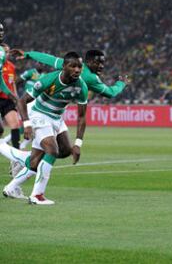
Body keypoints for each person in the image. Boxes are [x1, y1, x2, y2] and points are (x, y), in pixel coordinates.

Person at [6, 49, 130, 176]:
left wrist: (27, 54)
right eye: (98, 62)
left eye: (103, 63)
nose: (101, 66)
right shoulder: (90, 78)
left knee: (64, 150)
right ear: (88, 62)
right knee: (49, 148)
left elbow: (47, 58)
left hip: (53, 110)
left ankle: (23, 160)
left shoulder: (69, 64)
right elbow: (110, 93)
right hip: (41, 106)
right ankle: (20, 160)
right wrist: (121, 83)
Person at [2, 51, 88, 205]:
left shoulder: (81, 86)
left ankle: (11, 186)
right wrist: (27, 124)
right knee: (52, 150)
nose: (77, 70)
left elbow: (81, 117)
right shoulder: (50, 79)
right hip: (38, 114)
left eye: (79, 67)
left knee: (51, 155)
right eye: (73, 66)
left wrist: (78, 144)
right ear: (64, 67)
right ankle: (37, 195)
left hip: (57, 117)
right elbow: (22, 101)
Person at [0, 43, 20, 148]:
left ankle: (16, 155)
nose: (7, 54)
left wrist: (16, 98)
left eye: (8, 52)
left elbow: (13, 84)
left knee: (15, 125)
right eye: (5, 51)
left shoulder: (12, 66)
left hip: (8, 100)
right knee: (0, 130)